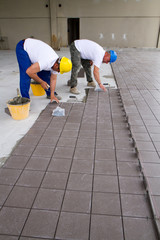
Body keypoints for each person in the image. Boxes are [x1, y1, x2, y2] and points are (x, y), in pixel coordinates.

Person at [16, 38, 72, 103]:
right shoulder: (46, 61)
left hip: (35, 49)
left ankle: (49, 94)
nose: (58, 72)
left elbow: (53, 79)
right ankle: (25, 100)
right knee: (26, 75)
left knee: (45, 73)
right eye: (59, 70)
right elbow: (29, 72)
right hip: (23, 47)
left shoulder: (57, 62)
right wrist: (41, 82)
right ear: (56, 65)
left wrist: (52, 93)